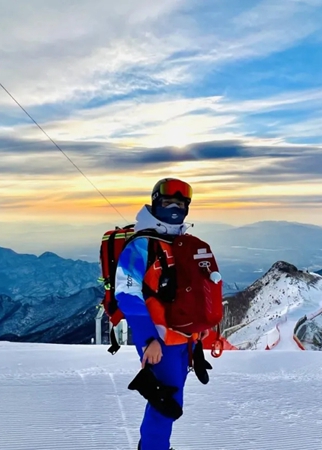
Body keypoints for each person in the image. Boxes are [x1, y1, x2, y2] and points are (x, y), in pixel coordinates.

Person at [114, 177, 205, 450]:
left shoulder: (179, 243)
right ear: (156, 202)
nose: (175, 206)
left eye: (181, 201)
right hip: (160, 342)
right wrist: (147, 340)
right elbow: (127, 296)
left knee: (170, 400)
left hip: (182, 341)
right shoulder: (142, 245)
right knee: (165, 402)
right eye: (168, 200)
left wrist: (197, 343)